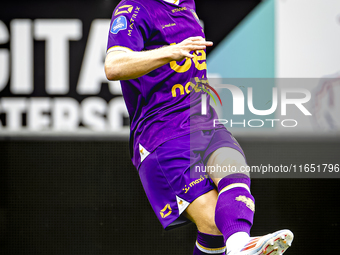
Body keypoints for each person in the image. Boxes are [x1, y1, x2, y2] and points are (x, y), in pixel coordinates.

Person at [105, 0, 294, 254]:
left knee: (235, 173)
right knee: (213, 227)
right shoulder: (134, 8)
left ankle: (240, 245)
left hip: (204, 122)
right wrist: (169, 52)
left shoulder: (187, 5)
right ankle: (238, 246)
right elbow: (113, 66)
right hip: (162, 135)